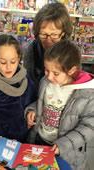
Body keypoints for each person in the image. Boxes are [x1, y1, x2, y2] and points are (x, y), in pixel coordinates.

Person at [25, 40, 94, 169]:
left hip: (66, 150)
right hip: (40, 139)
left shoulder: (88, 93)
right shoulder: (46, 82)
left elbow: (90, 126)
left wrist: (64, 144)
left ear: (72, 70)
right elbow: (42, 102)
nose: (49, 77)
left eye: (56, 73)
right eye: (46, 70)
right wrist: (33, 110)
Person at [0, 34, 36, 142]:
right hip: (1, 143)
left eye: (13, 61)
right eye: (2, 62)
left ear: (19, 58)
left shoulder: (26, 79)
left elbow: (36, 101)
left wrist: (33, 111)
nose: (8, 67)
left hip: (27, 140)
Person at [23, 2, 73, 89]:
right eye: (43, 34)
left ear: (63, 33)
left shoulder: (71, 52)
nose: (48, 40)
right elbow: (28, 84)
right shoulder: (31, 49)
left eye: (54, 35)